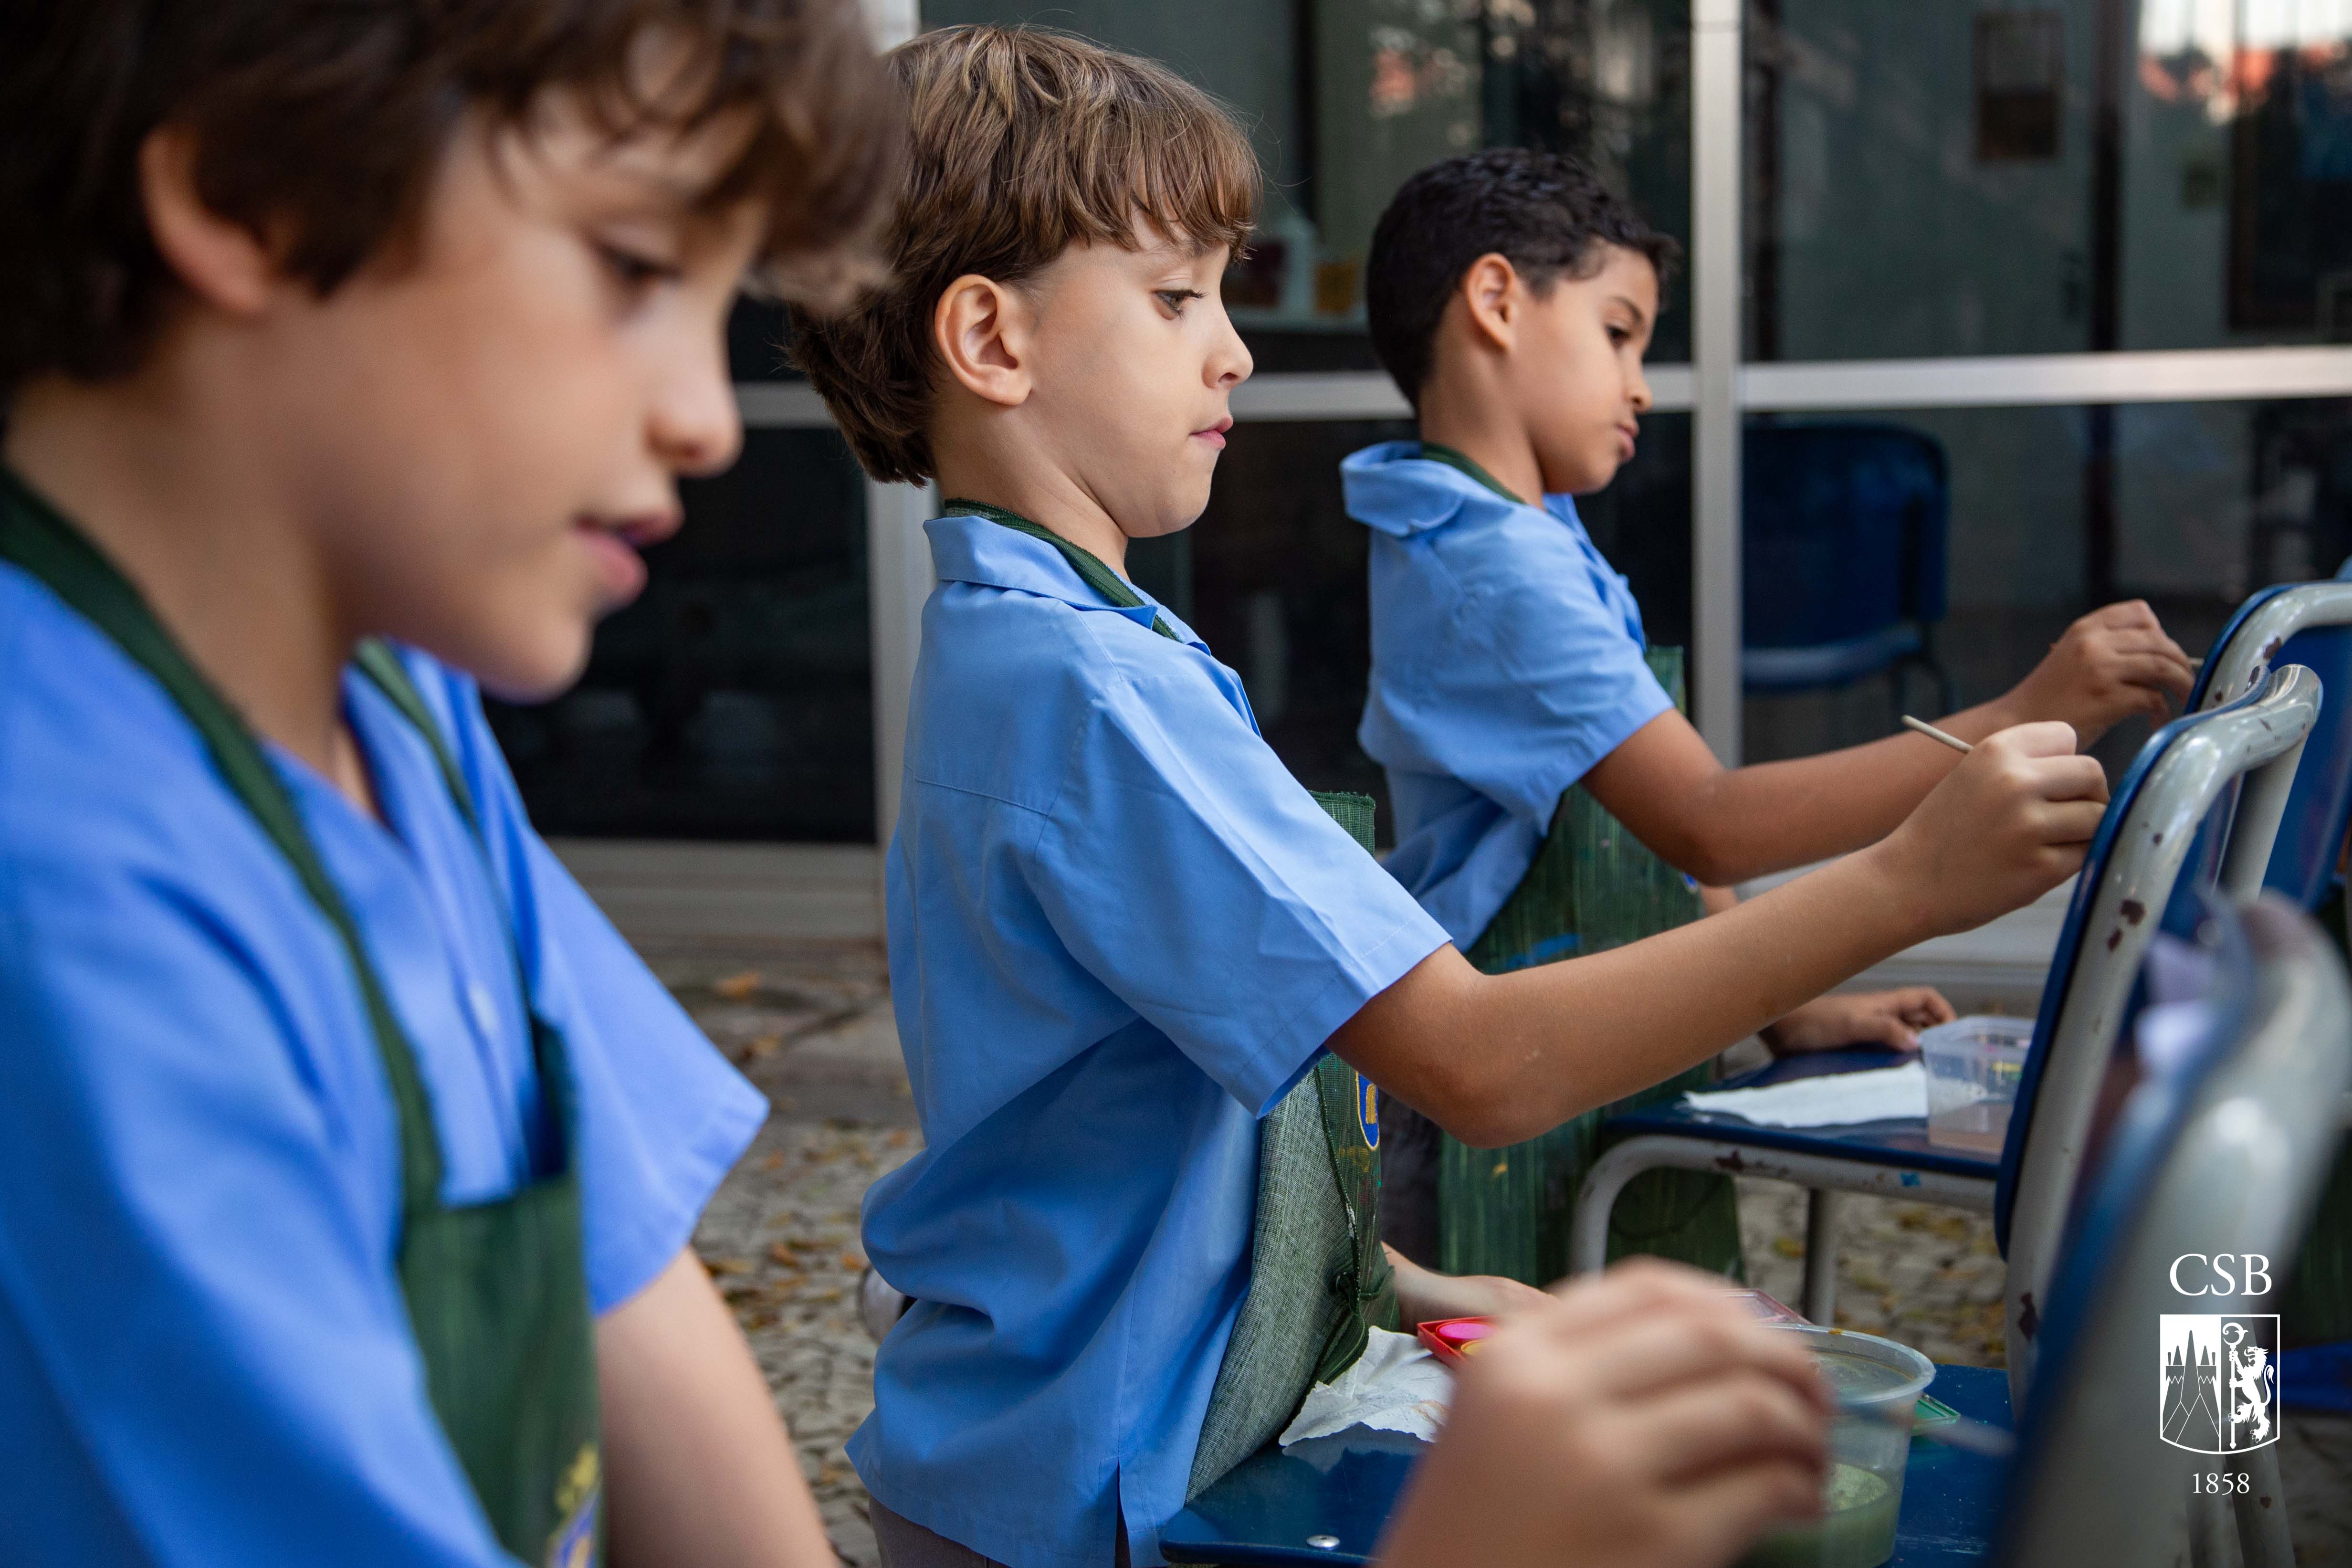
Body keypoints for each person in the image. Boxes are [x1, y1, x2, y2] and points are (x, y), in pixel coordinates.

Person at [790, 25, 2106, 1568]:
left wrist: (1392, 1281)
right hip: (1088, 1476)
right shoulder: (1089, 687)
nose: (1234, 350)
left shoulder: (1056, 643)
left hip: (1057, 1432)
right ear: (990, 341)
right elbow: (1477, 1061)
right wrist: (1901, 884)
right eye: (1172, 298)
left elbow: (1149, 1122)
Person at [0, 2, 897, 1562]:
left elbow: (615, 1266)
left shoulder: (396, 703)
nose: (702, 416)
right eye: (634, 268)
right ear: (253, 199)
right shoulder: (61, 892)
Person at [1348, 148, 2200, 1269]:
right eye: (1618, 332)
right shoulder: (1490, 563)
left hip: (1591, 1025)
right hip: (1515, 1062)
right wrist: (2018, 711)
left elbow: (1633, 821)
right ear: (1498, 301)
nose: (1643, 384)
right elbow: (1703, 816)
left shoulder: (1522, 532)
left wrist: (1776, 1008)